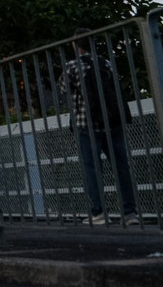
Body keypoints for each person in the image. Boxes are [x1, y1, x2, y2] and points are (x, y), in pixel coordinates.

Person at [64, 30, 140, 227]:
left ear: (75, 45)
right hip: (112, 122)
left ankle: (99, 212)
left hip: (86, 123)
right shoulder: (105, 63)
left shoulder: (72, 66)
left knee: (92, 168)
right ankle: (130, 212)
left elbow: (65, 89)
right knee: (121, 166)